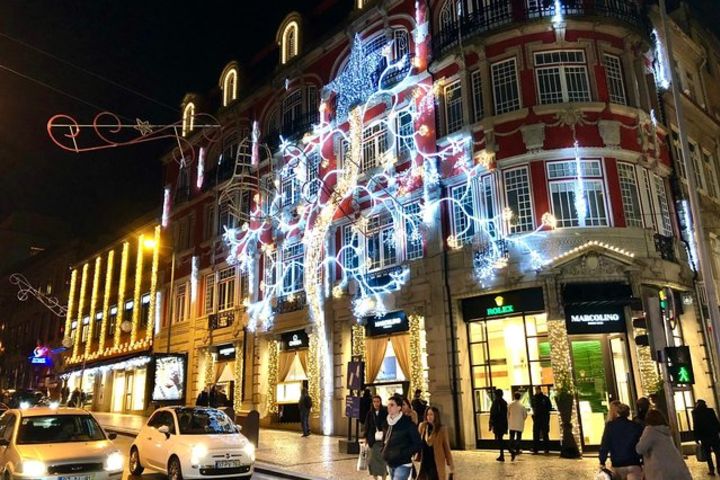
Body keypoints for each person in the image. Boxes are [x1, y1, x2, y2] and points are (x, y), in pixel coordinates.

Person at [636, 409, 692, 480]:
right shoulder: (666, 430)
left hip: (659, 468)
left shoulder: (650, 431)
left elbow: (640, 449)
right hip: (674, 465)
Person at [381, 393, 421, 480]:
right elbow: (385, 440)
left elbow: (417, 444)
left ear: (399, 408)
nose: (389, 407)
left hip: (403, 463)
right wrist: (384, 452)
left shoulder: (408, 423)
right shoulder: (386, 424)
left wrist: (404, 453)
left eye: (392, 405)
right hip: (390, 462)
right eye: (388, 405)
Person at [599, 403, 643, 480]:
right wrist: (642, 459)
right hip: (633, 462)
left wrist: (602, 460)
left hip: (617, 464)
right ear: (628, 413)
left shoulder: (610, 426)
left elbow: (605, 444)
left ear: (617, 413)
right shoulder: (635, 426)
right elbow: (641, 444)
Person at [416, 406, 453, 480]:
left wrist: (450, 464)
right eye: (427, 414)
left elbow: (446, 448)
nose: (429, 417)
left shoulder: (441, 429)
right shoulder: (422, 426)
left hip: (436, 462)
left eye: (431, 414)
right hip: (424, 462)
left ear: (436, 416)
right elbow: (417, 442)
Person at [693, 399, 720, 475]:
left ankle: (711, 470)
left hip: (704, 436)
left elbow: (696, 426)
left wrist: (696, 437)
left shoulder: (695, 413)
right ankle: (719, 468)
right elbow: (715, 421)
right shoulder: (710, 411)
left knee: (708, 454)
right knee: (717, 453)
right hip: (713, 435)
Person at [364, 395, 388, 480]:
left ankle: (384, 478)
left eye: (378, 401)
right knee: (372, 462)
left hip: (382, 441)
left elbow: (388, 424)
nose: (376, 403)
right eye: (374, 401)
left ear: (380, 402)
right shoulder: (370, 413)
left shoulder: (385, 412)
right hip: (373, 441)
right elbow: (367, 427)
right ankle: (375, 478)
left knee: (382, 461)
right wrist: (366, 439)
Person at [489, 388, 509, 462]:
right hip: (503, 423)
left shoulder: (496, 402)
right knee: (500, 439)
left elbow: (493, 413)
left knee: (499, 439)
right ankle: (503, 454)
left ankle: (505, 453)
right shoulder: (504, 402)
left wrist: (491, 423)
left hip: (498, 423)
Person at [531, 386, 551, 454]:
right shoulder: (534, 398)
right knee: (536, 433)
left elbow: (549, 407)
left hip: (543, 418)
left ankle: (546, 448)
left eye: (537, 390)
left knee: (544, 433)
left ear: (539, 390)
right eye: (536, 390)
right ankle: (536, 449)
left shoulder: (544, 398)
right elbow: (533, 407)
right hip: (538, 418)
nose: (536, 391)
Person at [507, 391, 527, 461]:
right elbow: (525, 415)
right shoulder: (522, 405)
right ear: (520, 397)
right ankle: (517, 450)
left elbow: (507, 414)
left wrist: (509, 420)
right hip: (519, 424)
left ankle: (510, 448)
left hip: (512, 424)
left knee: (511, 437)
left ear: (514, 396)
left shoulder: (510, 404)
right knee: (518, 437)